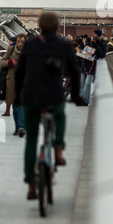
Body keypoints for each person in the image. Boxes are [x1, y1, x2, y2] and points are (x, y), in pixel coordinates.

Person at [15, 12, 83, 200]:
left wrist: (19, 98)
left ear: (40, 26)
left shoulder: (29, 45)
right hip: (54, 96)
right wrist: (76, 95)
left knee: (31, 141)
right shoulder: (63, 45)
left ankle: (30, 184)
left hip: (30, 97)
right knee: (60, 116)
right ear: (56, 26)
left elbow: (20, 73)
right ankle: (58, 148)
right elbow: (75, 72)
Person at [1, 34, 26, 136]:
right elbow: (2, 62)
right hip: (12, 81)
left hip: (25, 82)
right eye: (19, 41)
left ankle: (21, 126)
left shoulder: (29, 51)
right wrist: (10, 62)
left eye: (22, 42)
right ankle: (18, 127)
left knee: (21, 105)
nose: (20, 44)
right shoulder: (11, 50)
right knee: (15, 106)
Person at [80, 29, 106, 105]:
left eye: (94, 34)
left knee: (88, 83)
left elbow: (102, 54)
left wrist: (96, 46)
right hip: (85, 63)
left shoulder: (102, 43)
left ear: (98, 35)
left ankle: (85, 100)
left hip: (92, 65)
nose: (93, 35)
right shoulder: (90, 42)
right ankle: (81, 98)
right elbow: (85, 51)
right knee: (81, 82)